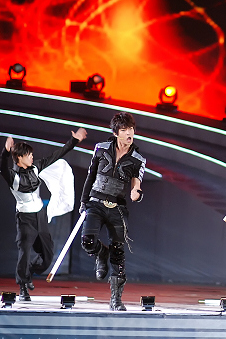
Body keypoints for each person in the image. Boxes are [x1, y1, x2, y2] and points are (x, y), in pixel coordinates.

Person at [0, 127, 87, 301]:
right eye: (29, 155)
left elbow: (57, 155)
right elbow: (2, 168)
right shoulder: (12, 176)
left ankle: (29, 273)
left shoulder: (36, 167)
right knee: (24, 253)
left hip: (40, 216)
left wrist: (74, 141)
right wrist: (6, 152)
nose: (32, 157)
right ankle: (23, 286)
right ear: (19, 158)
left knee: (47, 257)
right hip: (25, 219)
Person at [79, 112, 146, 311]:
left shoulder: (138, 159)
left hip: (117, 207)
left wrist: (136, 193)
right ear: (116, 133)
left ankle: (116, 299)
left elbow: (137, 184)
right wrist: (84, 201)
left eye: (131, 129)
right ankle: (101, 253)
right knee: (88, 241)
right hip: (95, 203)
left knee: (118, 253)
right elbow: (91, 175)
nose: (129, 133)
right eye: (124, 130)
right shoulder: (101, 148)